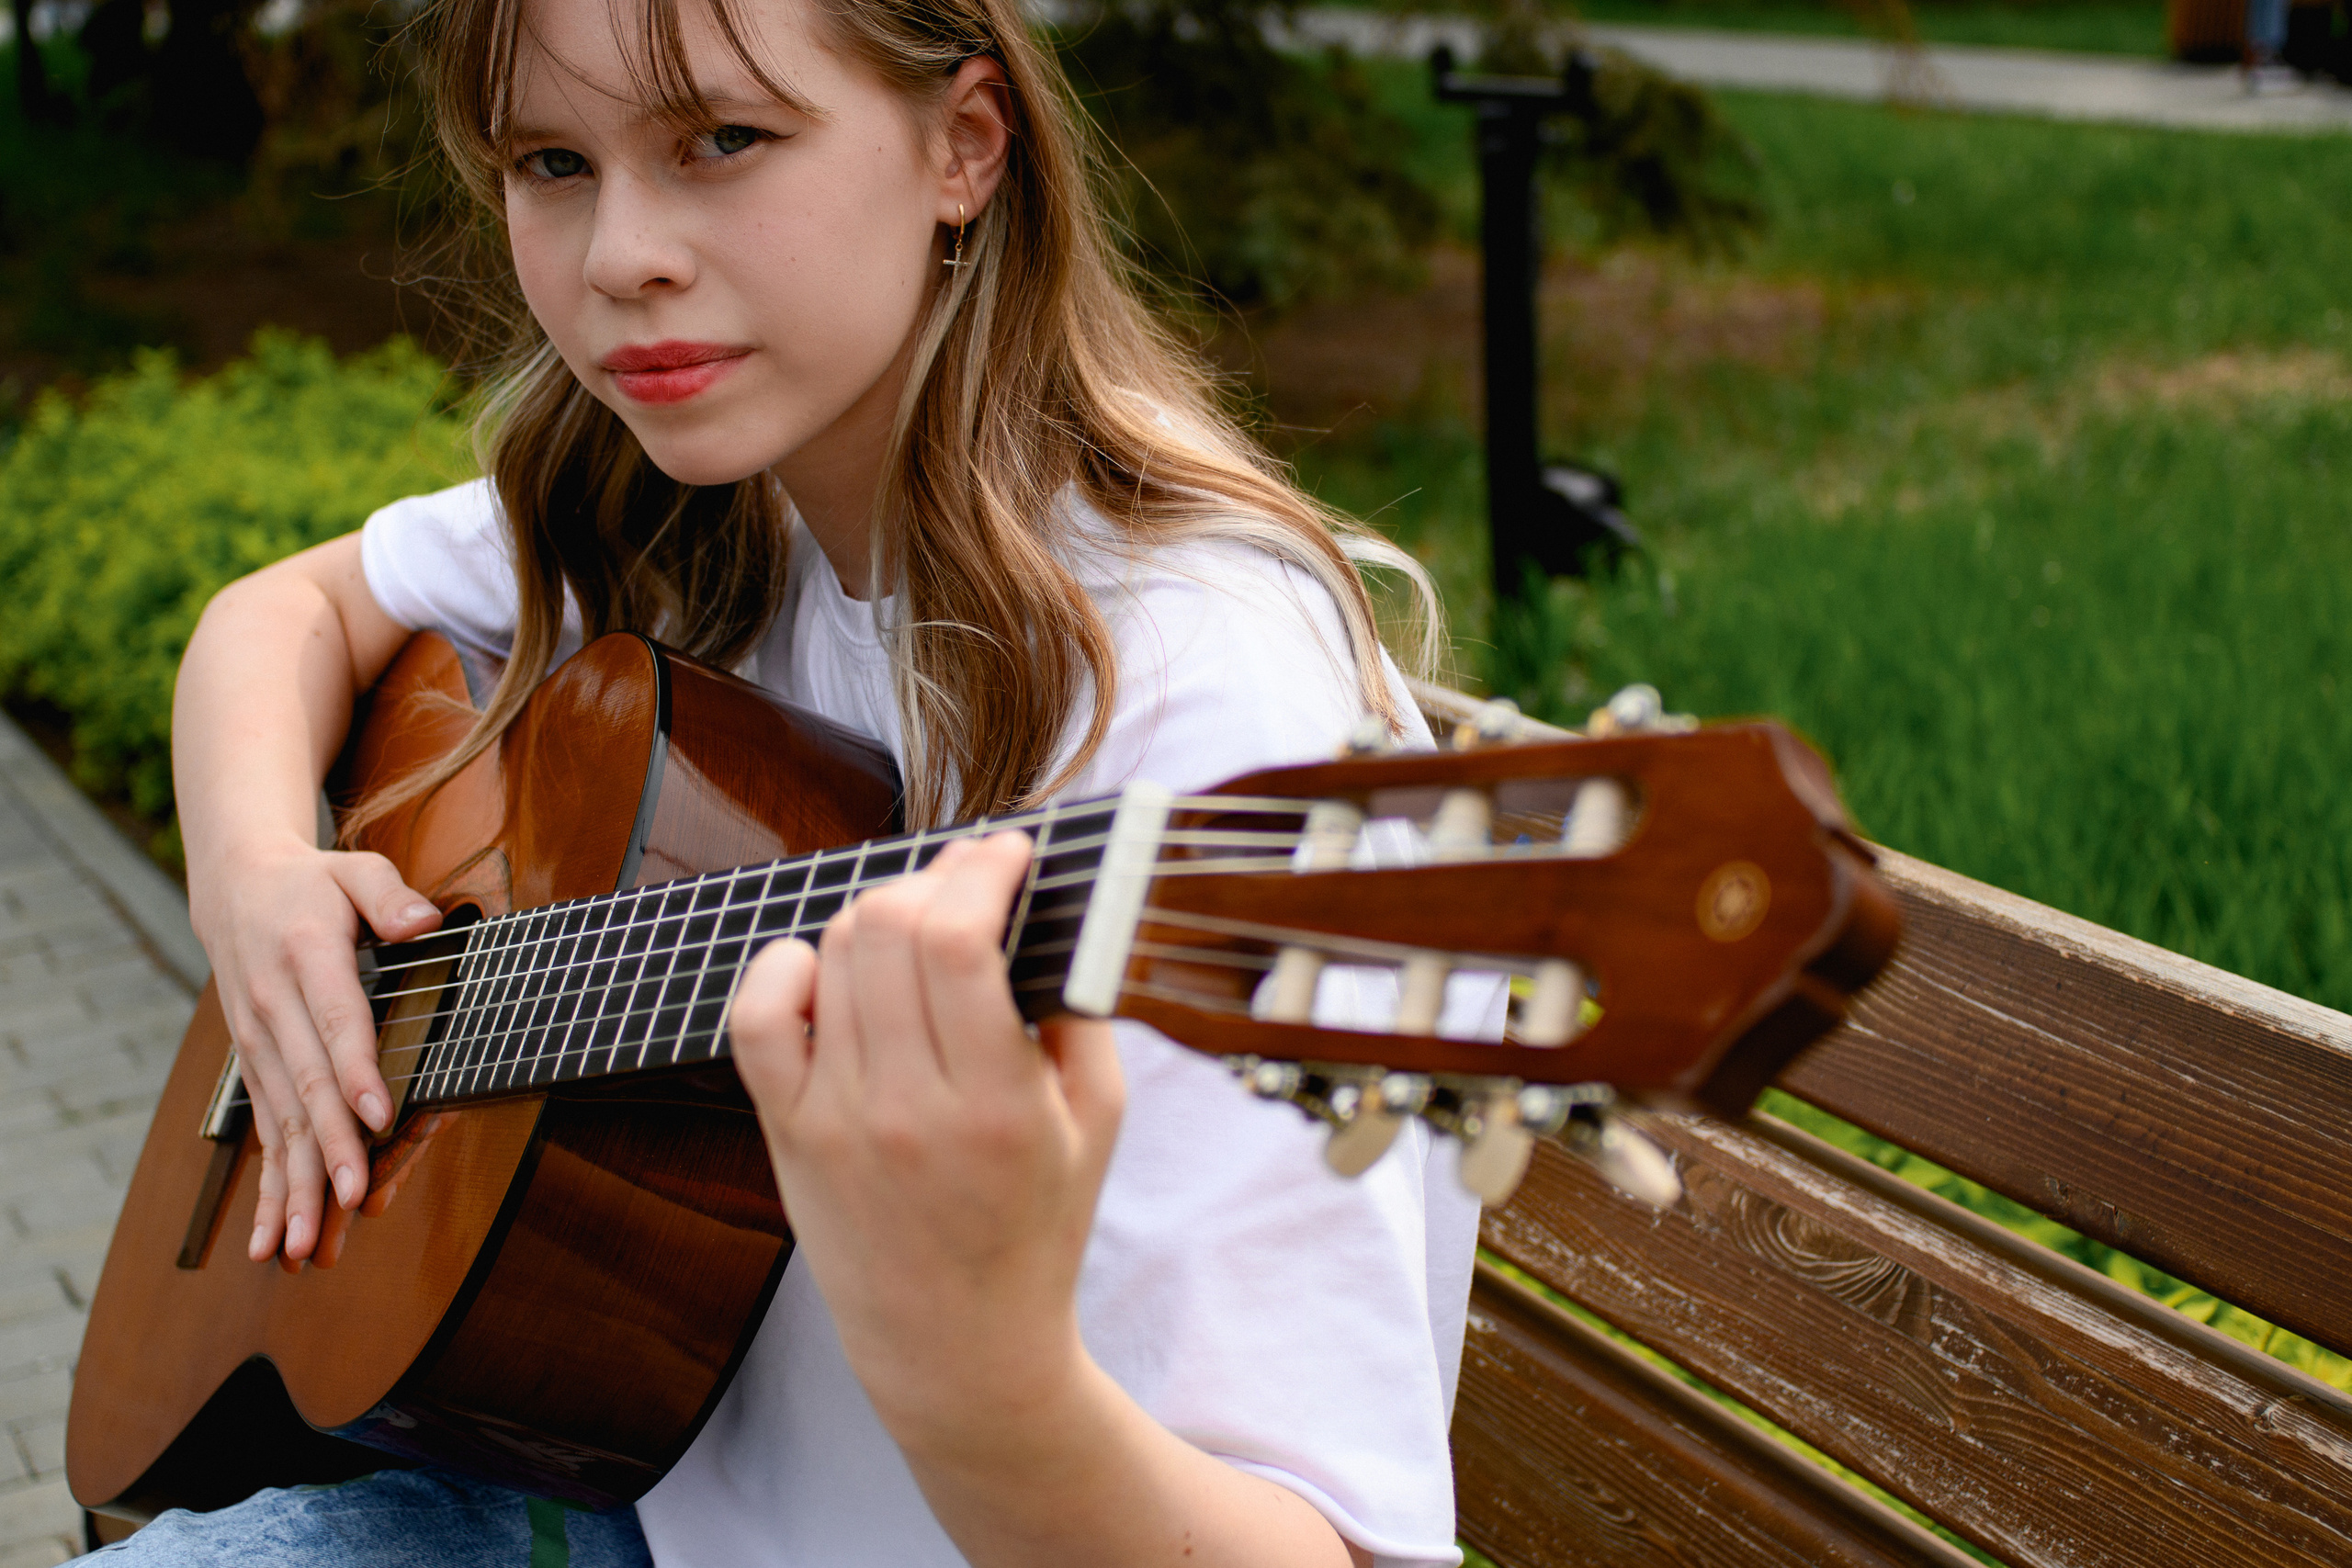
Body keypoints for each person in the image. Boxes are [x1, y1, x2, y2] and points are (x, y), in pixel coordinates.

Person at [116, 0, 1485, 1561]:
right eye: (553, 160)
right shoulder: (684, 482)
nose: (623, 253)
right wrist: (253, 879)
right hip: (605, 1486)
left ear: (964, 146)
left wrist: (977, 1369)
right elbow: (280, 615)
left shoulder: (1198, 696)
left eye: (724, 139)